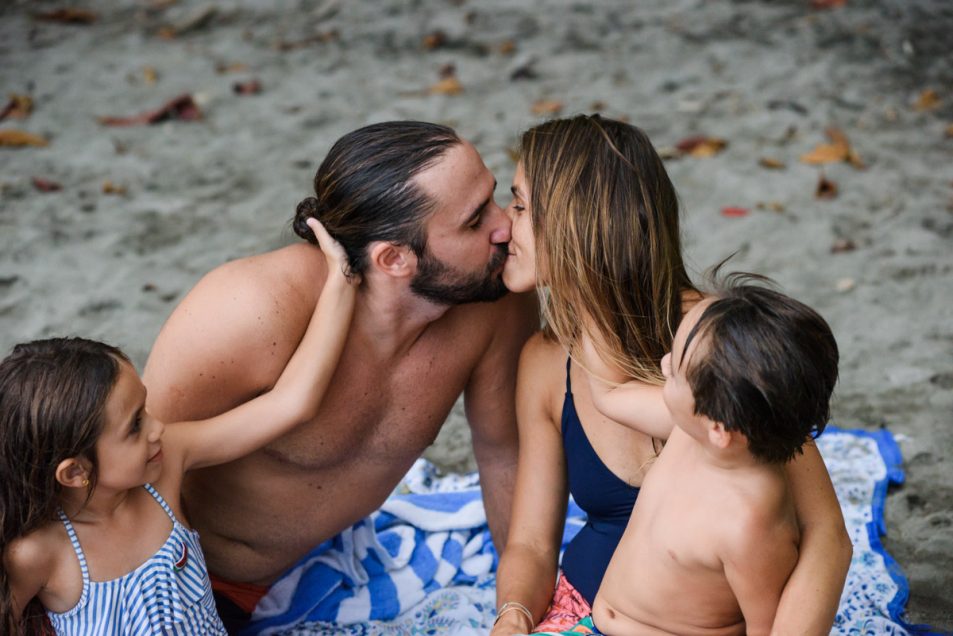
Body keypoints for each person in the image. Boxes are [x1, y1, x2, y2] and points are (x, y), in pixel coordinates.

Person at [142, 121, 538, 629]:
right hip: (186, 579)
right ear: (394, 258)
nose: (505, 226)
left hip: (301, 571)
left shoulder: (493, 298)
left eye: (494, 198)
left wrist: (519, 605)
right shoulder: (253, 310)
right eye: (474, 220)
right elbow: (129, 471)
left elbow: (505, 455)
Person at [491, 114, 852, 634]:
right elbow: (530, 543)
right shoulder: (546, 362)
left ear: (577, 225)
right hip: (583, 609)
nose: (504, 224)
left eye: (521, 205)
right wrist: (515, 615)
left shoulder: (714, 345)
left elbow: (826, 532)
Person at [0, 219, 357, 635]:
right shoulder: (36, 553)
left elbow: (289, 404)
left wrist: (342, 283)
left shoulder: (166, 463)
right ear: (75, 472)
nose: (157, 428)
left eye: (145, 410)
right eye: (135, 426)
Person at [580, 274, 840, 635]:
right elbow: (610, 396)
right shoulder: (693, 430)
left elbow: (767, 628)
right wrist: (585, 293)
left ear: (719, 428)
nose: (665, 363)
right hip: (601, 620)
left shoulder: (749, 524)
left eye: (677, 372)